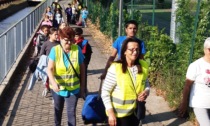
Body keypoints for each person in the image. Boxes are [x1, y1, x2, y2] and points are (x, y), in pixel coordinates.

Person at [101, 37, 150, 126]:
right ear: (124, 51)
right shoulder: (115, 68)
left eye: (137, 49)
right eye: (131, 49)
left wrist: (146, 92)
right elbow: (105, 92)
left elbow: (146, 83)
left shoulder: (143, 66)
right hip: (118, 115)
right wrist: (111, 114)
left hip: (135, 113)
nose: (135, 52)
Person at [47, 26, 85, 126]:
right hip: (58, 89)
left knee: (71, 112)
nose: (69, 43)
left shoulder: (77, 50)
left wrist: (82, 87)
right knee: (58, 110)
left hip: (73, 89)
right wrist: (53, 83)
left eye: (71, 40)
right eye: (66, 40)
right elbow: (49, 69)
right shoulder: (54, 50)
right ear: (60, 38)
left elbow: (82, 69)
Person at [179, 37, 210, 126]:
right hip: (200, 103)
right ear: (204, 49)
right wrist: (184, 103)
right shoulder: (196, 65)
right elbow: (187, 86)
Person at [74, 27, 92, 94]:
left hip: (83, 62)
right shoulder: (73, 42)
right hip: (75, 62)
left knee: (83, 76)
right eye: (75, 36)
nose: (75, 37)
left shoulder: (84, 43)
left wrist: (86, 63)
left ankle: (83, 91)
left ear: (81, 35)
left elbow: (85, 53)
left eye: (77, 36)